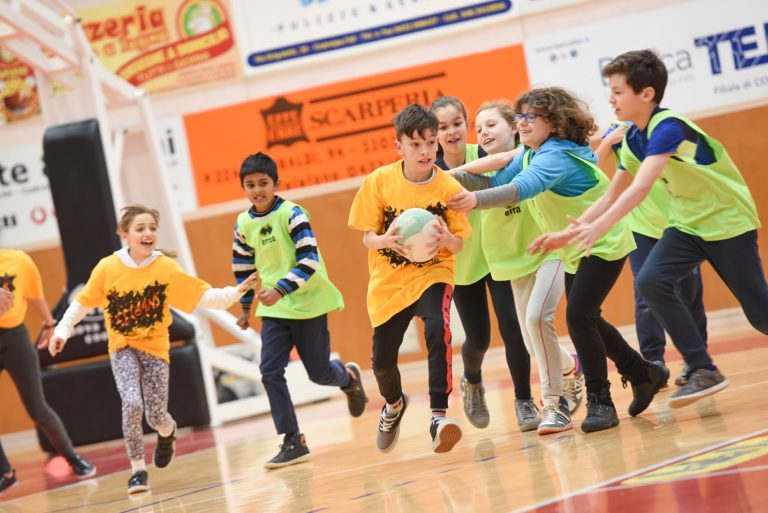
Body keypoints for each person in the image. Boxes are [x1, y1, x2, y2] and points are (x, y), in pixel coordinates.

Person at [542, 49, 768, 408]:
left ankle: (701, 364)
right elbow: (613, 193)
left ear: (646, 94)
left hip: (728, 222)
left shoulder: (668, 127)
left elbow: (641, 188)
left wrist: (598, 228)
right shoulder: (632, 138)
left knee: (761, 315)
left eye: (618, 91)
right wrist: (572, 231)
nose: (610, 99)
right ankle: (702, 368)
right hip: (688, 225)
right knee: (649, 281)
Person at [448, 87, 666, 433]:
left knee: (578, 317)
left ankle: (598, 401)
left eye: (528, 117)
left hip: (601, 240)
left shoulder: (555, 156)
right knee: (588, 318)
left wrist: (471, 201)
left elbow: (520, 189)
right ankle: (642, 372)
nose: (521, 123)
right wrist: (445, 182)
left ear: (551, 121)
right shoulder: (533, 153)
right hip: (575, 247)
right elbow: (499, 177)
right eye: (518, 117)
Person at [48, 205, 261, 494]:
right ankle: (137, 470)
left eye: (152, 228)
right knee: (132, 404)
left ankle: (167, 432)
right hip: (122, 348)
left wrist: (235, 292)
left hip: (156, 349)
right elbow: (82, 303)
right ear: (124, 234)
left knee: (156, 417)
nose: (147, 233)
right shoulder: (108, 267)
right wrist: (62, 330)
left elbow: (205, 296)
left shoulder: (165, 268)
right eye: (140, 228)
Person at [432, 96, 583, 435]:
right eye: (443, 127)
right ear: (434, 135)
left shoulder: (487, 155)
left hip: (506, 256)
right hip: (466, 260)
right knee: (479, 339)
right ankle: (472, 380)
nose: (453, 131)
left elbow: (510, 162)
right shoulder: (433, 171)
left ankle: (526, 401)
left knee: (517, 329)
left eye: (458, 123)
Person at [348, 103, 472, 453]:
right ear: (398, 146)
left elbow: (459, 242)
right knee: (382, 363)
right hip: (389, 281)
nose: (425, 151)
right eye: (416, 144)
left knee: (438, 328)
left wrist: (447, 240)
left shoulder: (448, 187)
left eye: (431, 143)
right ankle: (393, 404)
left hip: (434, 272)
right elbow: (366, 236)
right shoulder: (380, 181)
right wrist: (381, 240)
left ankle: (438, 416)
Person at [232, 152, 368, 469]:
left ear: (276, 184)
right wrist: (245, 307)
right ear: (243, 189)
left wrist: (279, 289)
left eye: (263, 183)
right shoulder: (242, 223)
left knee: (319, 374)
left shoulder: (292, 214)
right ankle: (293, 439)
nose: (257, 190)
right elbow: (243, 269)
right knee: (269, 372)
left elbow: (309, 260)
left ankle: (347, 378)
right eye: (250, 185)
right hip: (275, 310)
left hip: (307, 303)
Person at [594, 121, 708, 387]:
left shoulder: (669, 129)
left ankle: (696, 358)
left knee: (689, 293)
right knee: (644, 292)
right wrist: (606, 143)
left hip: (680, 223)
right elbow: (590, 164)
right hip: (641, 226)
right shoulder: (618, 131)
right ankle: (654, 362)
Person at [0, 249, 95, 495]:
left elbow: (34, 295)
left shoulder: (19, 261)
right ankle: (5, 473)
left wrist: (49, 324)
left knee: (37, 408)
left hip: (14, 339)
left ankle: (72, 457)